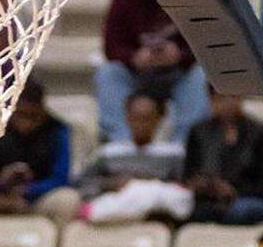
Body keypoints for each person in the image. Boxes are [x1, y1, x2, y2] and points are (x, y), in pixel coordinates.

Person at [94, 0, 210, 143]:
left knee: (200, 76)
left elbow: (206, 45)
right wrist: (134, 57)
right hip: (136, 73)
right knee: (108, 74)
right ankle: (121, 141)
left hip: (178, 73)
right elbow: (111, 47)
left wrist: (180, 55)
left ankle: (185, 143)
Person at [0, 77, 80, 223]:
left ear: (42, 110)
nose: (25, 123)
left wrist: (29, 190)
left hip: (37, 199)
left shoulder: (57, 131)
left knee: (67, 199)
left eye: (32, 116)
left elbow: (60, 178)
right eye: (21, 115)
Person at [75, 91, 192, 224]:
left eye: (146, 118)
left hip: (156, 214)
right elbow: (81, 183)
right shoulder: (108, 153)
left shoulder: (174, 154)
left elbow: (182, 188)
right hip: (115, 206)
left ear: (159, 119)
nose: (140, 124)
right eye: (136, 118)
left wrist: (146, 182)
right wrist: (109, 184)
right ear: (127, 117)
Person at [183, 87, 263, 226]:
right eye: (220, 98)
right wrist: (202, 186)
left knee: (237, 211)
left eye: (232, 96)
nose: (227, 103)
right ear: (211, 100)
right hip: (209, 199)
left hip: (253, 198)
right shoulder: (198, 132)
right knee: (186, 211)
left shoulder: (262, 134)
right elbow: (188, 174)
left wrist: (233, 191)